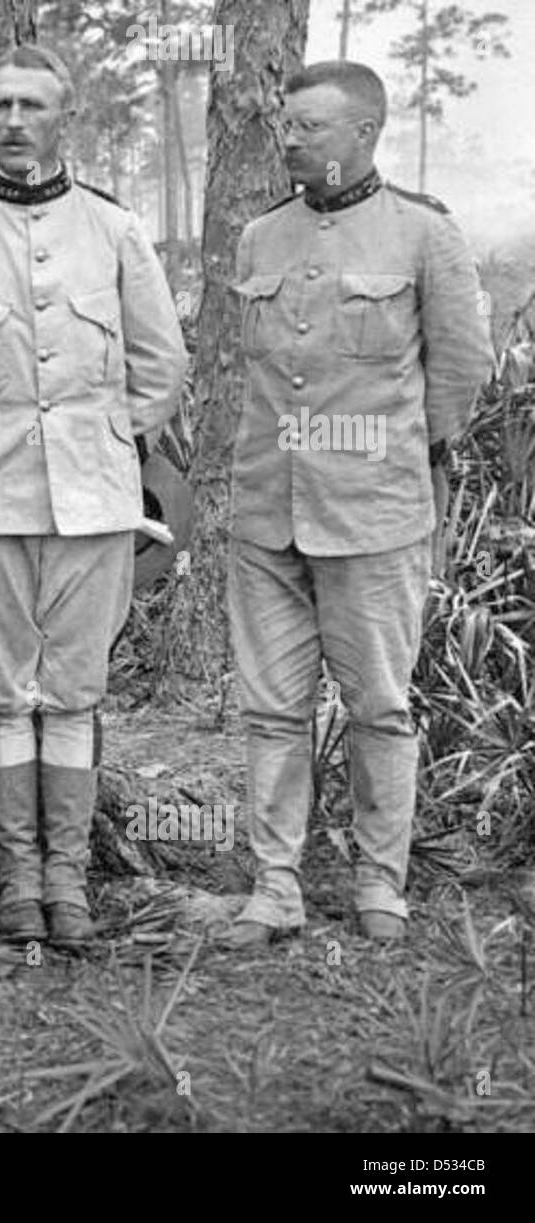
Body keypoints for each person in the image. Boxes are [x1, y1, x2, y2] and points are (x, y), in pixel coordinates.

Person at [0, 45, 187, 951]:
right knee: (5, 696)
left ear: (66, 118)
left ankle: (71, 881)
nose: (14, 121)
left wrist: (99, 441)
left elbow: (159, 366)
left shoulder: (115, 232)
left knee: (77, 692)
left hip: (94, 504)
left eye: (33, 106)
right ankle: (19, 880)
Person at [224, 62, 493, 947]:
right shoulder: (261, 238)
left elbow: (457, 375)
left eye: (309, 126)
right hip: (268, 510)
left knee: (378, 705)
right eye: (287, 123)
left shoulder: (423, 236)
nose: (290, 138)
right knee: (271, 708)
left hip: (375, 517)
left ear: (365, 133)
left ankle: (382, 881)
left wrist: (391, 460)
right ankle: (275, 885)